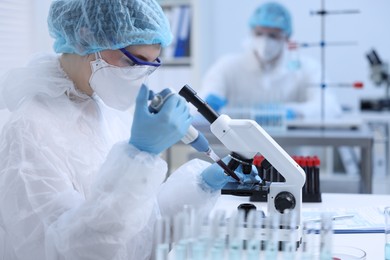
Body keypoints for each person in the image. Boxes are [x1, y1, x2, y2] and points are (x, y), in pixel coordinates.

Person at [0, 1, 258, 259]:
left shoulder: (109, 110)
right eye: (131, 60)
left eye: (150, 64)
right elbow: (73, 250)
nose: (140, 75)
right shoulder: (28, 131)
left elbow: (142, 227)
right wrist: (138, 157)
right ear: (85, 36)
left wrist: (201, 185)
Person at [199, 1, 342, 120]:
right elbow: (197, 105)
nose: (265, 41)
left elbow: (330, 106)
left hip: (290, 151)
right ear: (251, 33)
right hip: (239, 150)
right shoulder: (227, 66)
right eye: (259, 33)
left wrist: (294, 112)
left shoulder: (306, 68)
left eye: (273, 36)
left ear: (286, 37)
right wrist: (206, 103)